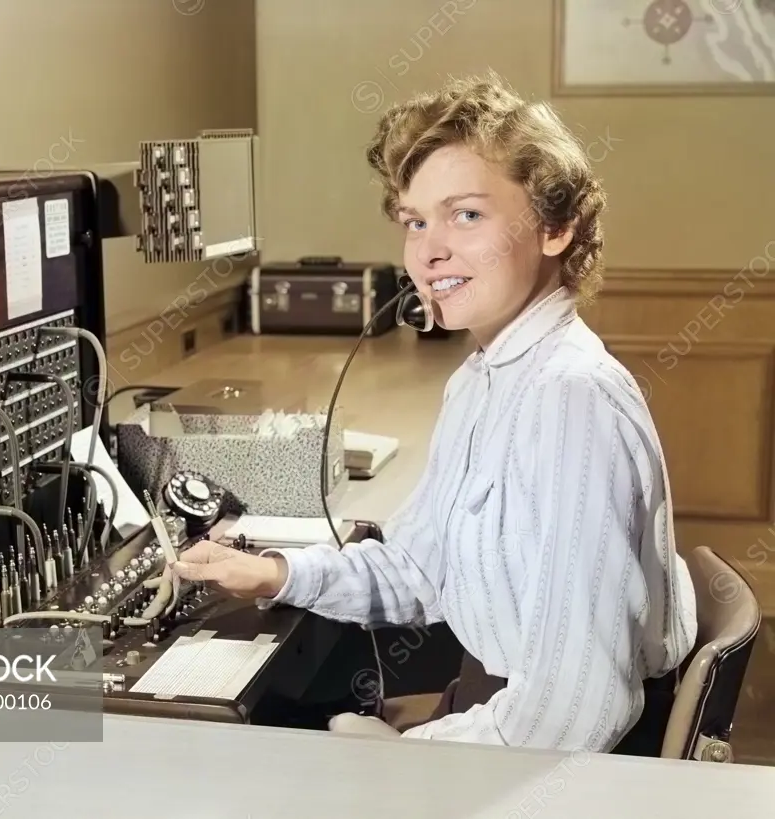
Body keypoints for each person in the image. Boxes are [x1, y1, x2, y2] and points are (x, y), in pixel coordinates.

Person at [171, 72, 698, 754]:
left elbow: (577, 711)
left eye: (466, 214)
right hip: (505, 708)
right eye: (415, 222)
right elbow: (422, 570)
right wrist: (280, 573)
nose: (428, 250)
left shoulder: (573, 399)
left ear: (556, 226)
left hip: (560, 751)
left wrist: (404, 760)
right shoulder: (483, 379)